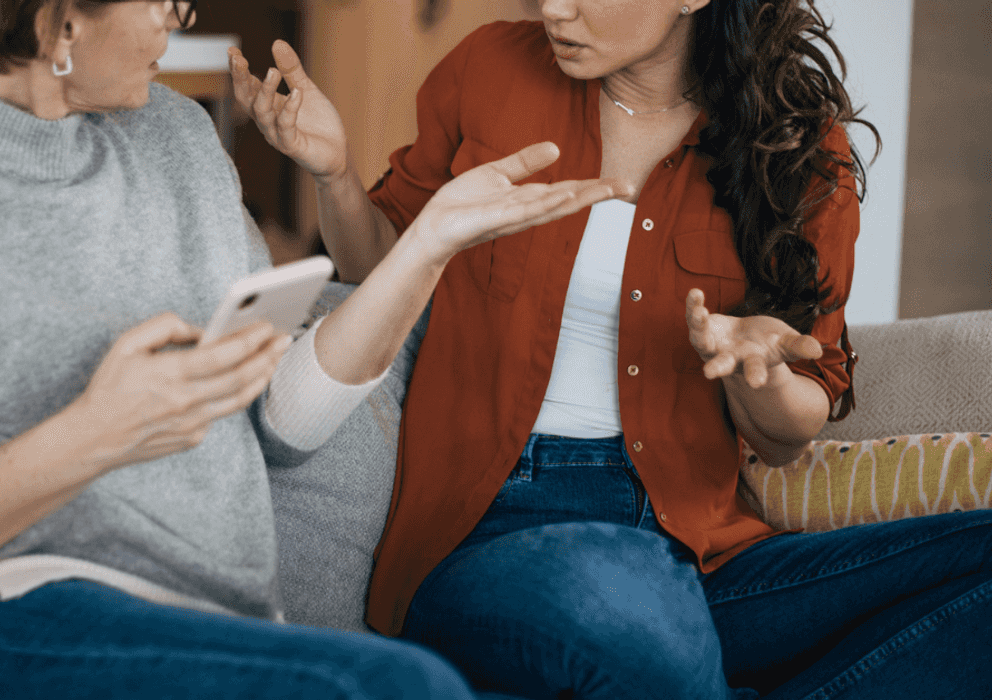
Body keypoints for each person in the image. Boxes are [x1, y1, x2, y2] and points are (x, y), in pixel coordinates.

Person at [0, 0, 625, 697]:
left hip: (210, 620)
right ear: (57, 26)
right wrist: (95, 435)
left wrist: (424, 247)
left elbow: (284, 424)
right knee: (400, 691)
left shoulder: (178, 140)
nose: (178, 21)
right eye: (160, 1)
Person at [232, 0, 992, 698]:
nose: (552, 7)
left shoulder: (794, 144)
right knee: (614, 590)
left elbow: (793, 424)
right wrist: (331, 174)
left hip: (698, 552)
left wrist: (752, 373)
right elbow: (384, 264)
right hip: (489, 536)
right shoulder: (489, 69)